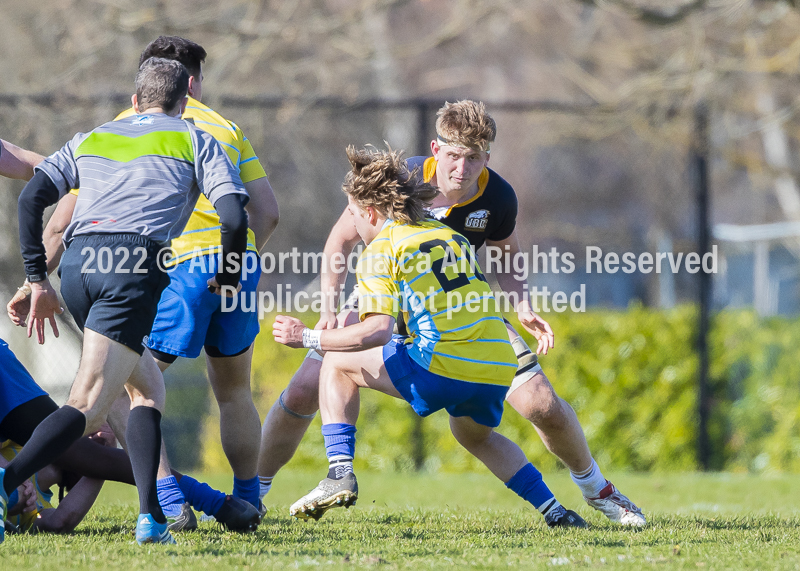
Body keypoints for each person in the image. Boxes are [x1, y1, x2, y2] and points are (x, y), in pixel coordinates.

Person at [259, 100, 645, 526]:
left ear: (487, 158)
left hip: (456, 309)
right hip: (386, 296)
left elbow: (508, 260)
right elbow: (341, 239)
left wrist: (523, 306)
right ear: (436, 149)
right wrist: (329, 311)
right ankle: (252, 493)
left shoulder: (497, 196)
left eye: (474, 157)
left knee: (541, 403)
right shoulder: (400, 179)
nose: (462, 168)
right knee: (302, 389)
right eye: (454, 155)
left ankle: (598, 490)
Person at [7, 35, 277, 527]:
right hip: (138, 267)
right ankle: (5, 483)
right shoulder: (201, 134)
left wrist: (35, 279)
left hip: (77, 269)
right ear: (186, 98)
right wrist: (233, 270)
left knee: (147, 386)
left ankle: (152, 516)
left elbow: (38, 205)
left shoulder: (97, 136)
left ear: (135, 99)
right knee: (88, 403)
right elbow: (245, 216)